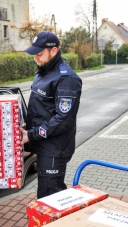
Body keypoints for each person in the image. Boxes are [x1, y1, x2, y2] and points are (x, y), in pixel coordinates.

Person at [20, 31, 82, 199]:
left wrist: (32, 135)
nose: (35, 58)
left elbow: (63, 120)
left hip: (55, 148)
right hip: (45, 144)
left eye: (39, 54)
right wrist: (29, 126)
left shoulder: (67, 79)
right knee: (49, 194)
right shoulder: (43, 71)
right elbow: (42, 109)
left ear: (53, 51)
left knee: (50, 196)